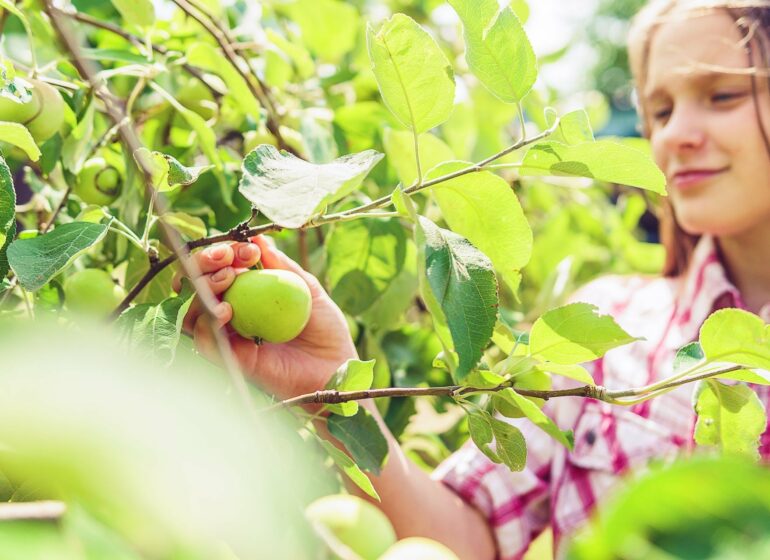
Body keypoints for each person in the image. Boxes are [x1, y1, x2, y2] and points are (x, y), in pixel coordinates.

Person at [175, 1, 770, 558]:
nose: (675, 135)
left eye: (720, 95)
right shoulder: (607, 330)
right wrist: (333, 386)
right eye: (660, 110)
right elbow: (467, 539)